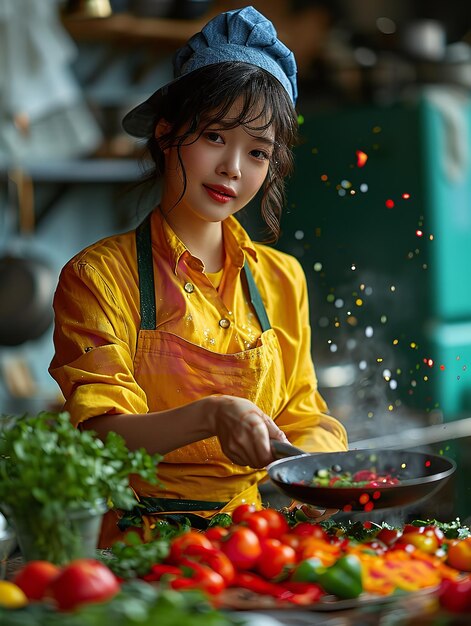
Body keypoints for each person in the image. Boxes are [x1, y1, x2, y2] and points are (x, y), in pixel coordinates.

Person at [49, 6, 348, 547]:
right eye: (215, 136)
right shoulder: (97, 277)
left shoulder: (283, 279)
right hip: (135, 551)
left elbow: (304, 412)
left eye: (258, 151)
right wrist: (212, 415)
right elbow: (100, 434)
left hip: (249, 544)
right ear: (167, 134)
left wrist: (321, 467)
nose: (234, 167)